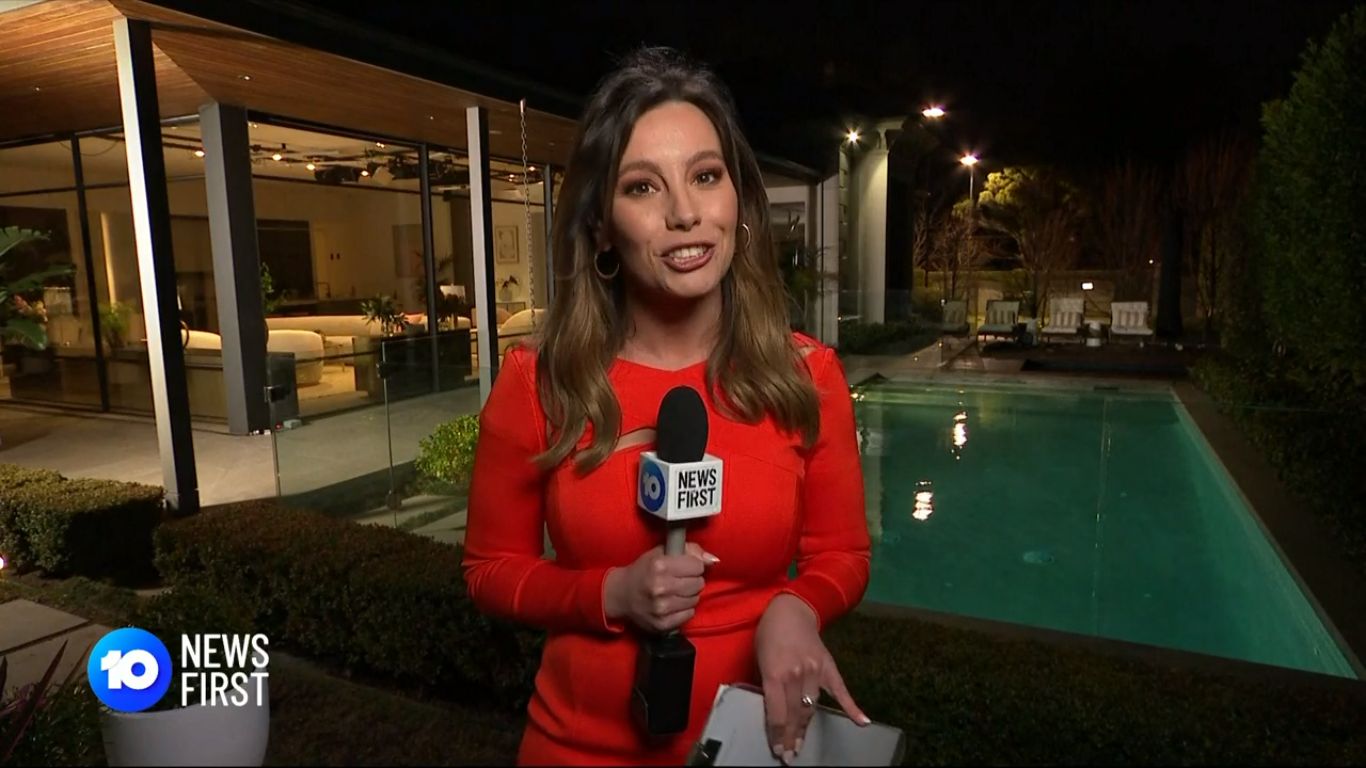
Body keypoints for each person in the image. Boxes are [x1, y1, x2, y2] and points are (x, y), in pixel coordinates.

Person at [462, 46, 871, 766]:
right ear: (600, 226)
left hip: (752, 749)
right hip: (575, 752)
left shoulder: (808, 376)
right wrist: (610, 595)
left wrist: (797, 605)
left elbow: (842, 553)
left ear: (738, 199)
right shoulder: (539, 382)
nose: (685, 213)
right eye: (643, 187)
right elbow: (490, 570)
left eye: (706, 176)